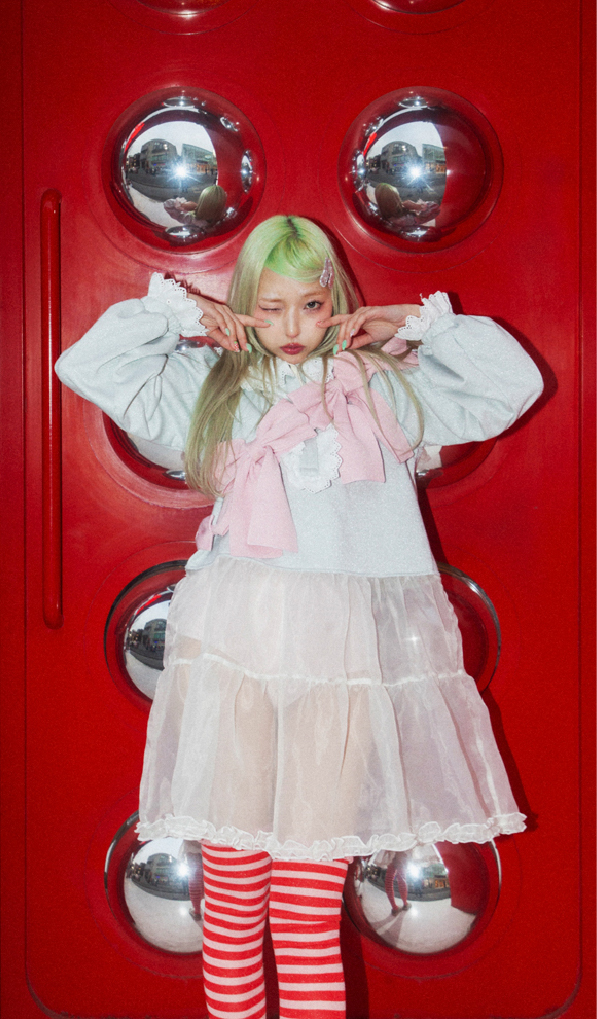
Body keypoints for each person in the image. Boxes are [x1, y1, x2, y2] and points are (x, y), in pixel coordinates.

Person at [56, 215, 543, 1019]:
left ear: (335, 301)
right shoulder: (213, 385)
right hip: (234, 655)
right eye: (270, 306)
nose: (291, 327)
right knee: (232, 899)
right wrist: (177, 312)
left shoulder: (381, 385)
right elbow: (87, 364)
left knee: (307, 906)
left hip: (338, 669)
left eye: (310, 305)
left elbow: (511, 385)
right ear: (244, 302)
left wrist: (417, 323)